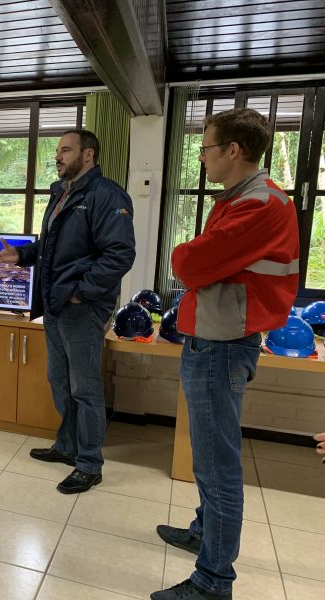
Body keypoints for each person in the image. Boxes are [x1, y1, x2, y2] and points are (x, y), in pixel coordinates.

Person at [151, 108, 299, 600]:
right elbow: (204, 262)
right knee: (209, 452)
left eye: (207, 149)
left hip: (222, 344)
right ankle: (202, 530)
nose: (203, 158)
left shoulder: (259, 204)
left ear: (234, 151)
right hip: (212, 338)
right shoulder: (240, 198)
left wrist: (184, 256)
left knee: (217, 464)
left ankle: (214, 581)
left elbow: (189, 263)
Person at [0, 129, 135, 494]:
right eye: (57, 151)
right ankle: (68, 446)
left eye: (66, 150)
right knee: (60, 381)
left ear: (88, 155)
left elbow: (119, 255)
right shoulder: (62, 193)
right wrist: (22, 256)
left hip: (82, 309)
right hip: (55, 305)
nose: (58, 157)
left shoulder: (107, 196)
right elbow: (51, 246)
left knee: (85, 388)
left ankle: (89, 464)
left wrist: (80, 294)